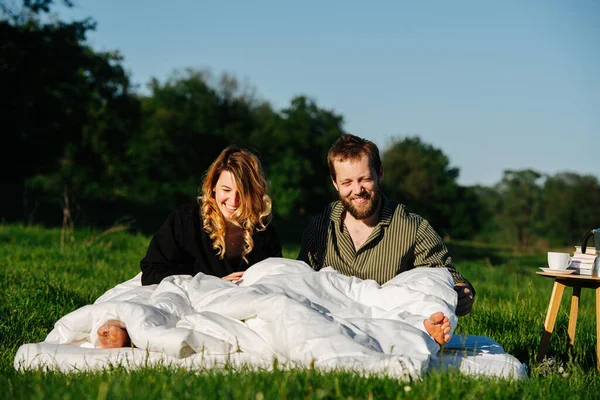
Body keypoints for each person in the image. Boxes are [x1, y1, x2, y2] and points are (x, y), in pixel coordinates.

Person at [97, 145, 282, 348]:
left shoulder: (264, 232)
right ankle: (129, 331)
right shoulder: (186, 220)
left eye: (242, 192)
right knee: (160, 304)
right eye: (226, 190)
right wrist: (207, 284)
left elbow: (273, 279)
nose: (234, 201)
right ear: (213, 187)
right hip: (181, 292)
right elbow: (151, 270)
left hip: (233, 305)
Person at [297, 134, 475, 316]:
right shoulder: (320, 227)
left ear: (380, 173)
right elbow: (300, 281)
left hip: (392, 329)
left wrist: (462, 291)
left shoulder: (413, 227)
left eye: (365, 179)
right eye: (347, 182)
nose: (357, 190)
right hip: (331, 328)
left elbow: (444, 275)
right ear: (335, 183)